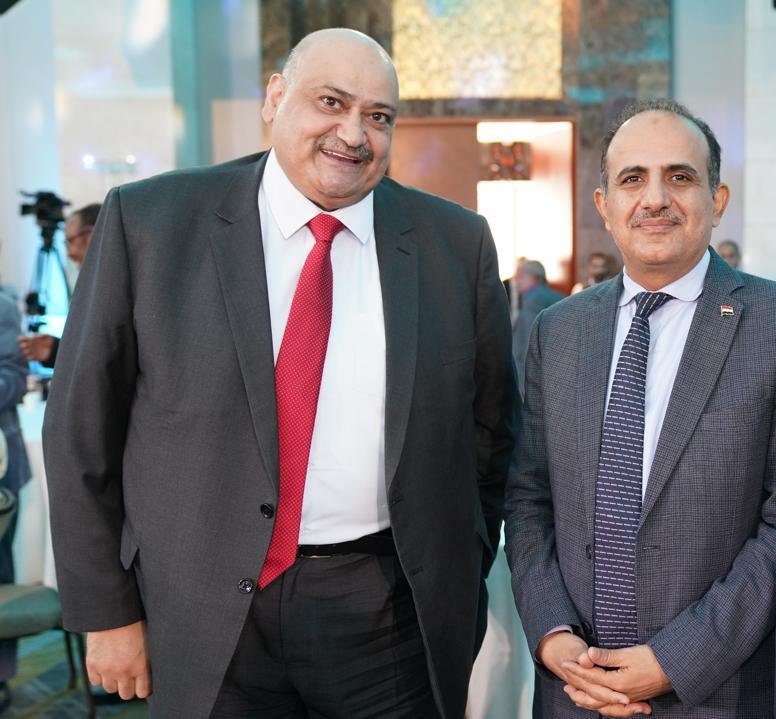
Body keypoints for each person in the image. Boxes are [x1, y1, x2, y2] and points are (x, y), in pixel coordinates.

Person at [43, 28, 518, 718]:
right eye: (331, 102)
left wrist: (460, 568)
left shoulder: (456, 243)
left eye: (378, 116)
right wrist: (107, 611)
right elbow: (80, 430)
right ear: (274, 98)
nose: (353, 134)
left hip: (389, 617)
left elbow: (491, 433)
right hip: (201, 612)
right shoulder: (150, 223)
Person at [505, 98, 776, 718]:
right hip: (574, 693)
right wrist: (553, 636)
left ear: (718, 199)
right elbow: (528, 499)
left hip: (714, 695)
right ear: (605, 205)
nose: (655, 199)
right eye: (633, 179)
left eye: (679, 177)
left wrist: (673, 661)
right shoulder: (560, 330)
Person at [18, 202, 101, 367]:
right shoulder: (95, 286)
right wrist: (56, 351)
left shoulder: (111, 290)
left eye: (70, 241)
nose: (68, 253)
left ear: (91, 235)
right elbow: (94, 354)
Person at [0, 295, 31, 713]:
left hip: (0, 466)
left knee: (0, 573)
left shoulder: (3, 309)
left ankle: (1, 674)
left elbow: (14, 377)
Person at [513, 258, 565, 391]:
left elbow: (529, 342)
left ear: (535, 278)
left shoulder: (534, 300)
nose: (517, 281)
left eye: (521, 277)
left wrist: (524, 382)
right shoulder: (552, 296)